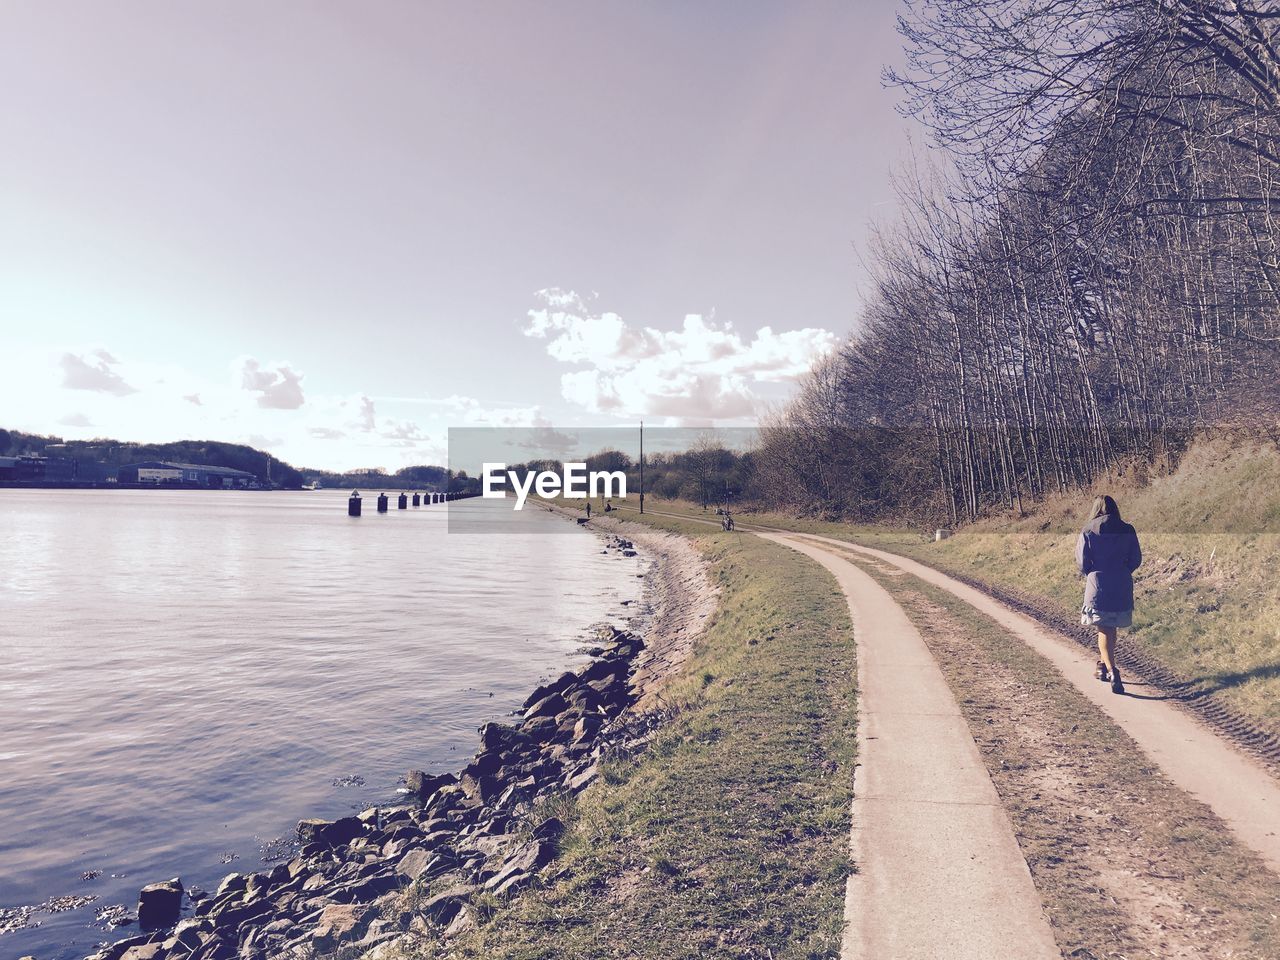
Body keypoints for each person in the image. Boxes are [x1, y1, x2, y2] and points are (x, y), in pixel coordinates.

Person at [1076, 495, 1142, 694]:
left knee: (1104, 630)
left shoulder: (1088, 530)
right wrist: (1122, 571)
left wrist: (1094, 573)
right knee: (1111, 629)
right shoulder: (1127, 529)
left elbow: (1082, 562)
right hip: (1121, 583)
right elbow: (1136, 558)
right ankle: (1103, 666)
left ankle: (1113, 671)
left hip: (1099, 584)